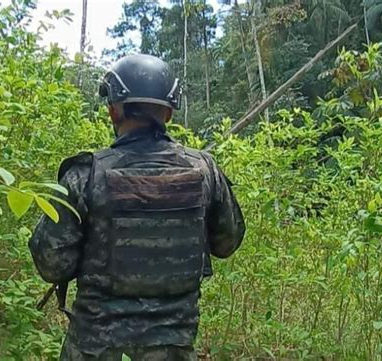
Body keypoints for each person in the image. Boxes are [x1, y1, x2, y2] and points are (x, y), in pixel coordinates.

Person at [29, 54, 245, 361]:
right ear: (168, 113)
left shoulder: (85, 175)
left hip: (94, 348)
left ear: (113, 111)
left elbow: (51, 264)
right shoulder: (205, 170)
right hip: (174, 348)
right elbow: (226, 243)